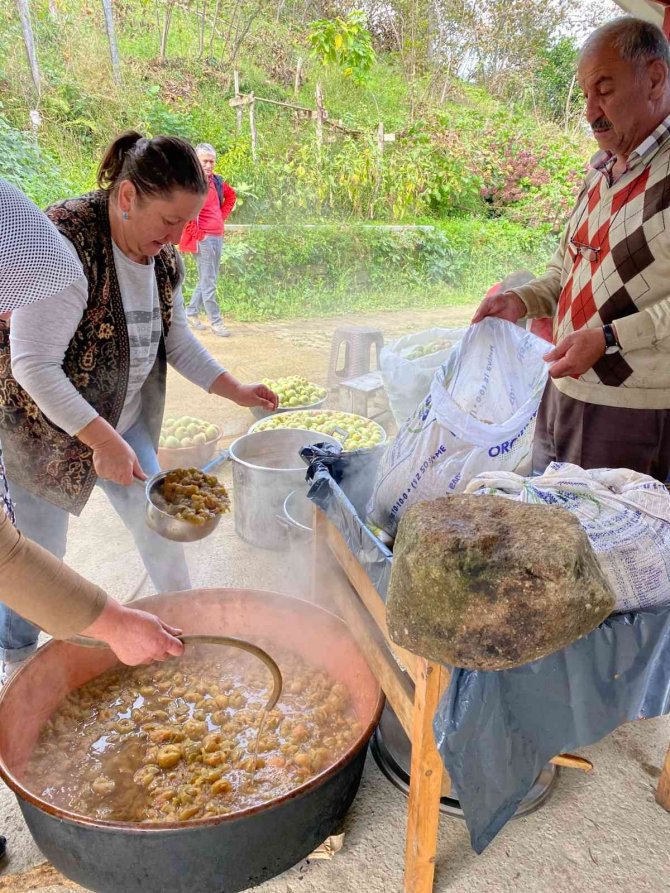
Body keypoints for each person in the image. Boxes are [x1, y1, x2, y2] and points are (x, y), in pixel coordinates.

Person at [0, 134, 277, 679]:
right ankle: (15, 662)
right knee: (33, 558)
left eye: (187, 223)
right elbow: (31, 364)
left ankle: (179, 629)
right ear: (127, 196)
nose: (179, 236)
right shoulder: (61, 243)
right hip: (43, 434)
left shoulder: (158, 254)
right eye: (171, 221)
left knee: (161, 525)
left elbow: (176, 341)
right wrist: (101, 440)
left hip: (123, 423)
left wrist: (234, 389)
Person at [0, 179, 189, 859]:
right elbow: (7, 556)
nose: (9, 326)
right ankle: (16, 654)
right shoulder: (73, 234)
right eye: (5, 312)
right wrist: (114, 624)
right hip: (48, 443)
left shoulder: (163, 264)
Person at [473, 17, 670, 481]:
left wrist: (608, 339)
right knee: (549, 523)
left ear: (655, 78)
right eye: (585, 95)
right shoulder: (600, 171)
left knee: (604, 545)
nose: (590, 112)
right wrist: (520, 299)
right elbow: (566, 267)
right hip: (563, 389)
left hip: (633, 412)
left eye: (604, 89)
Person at [180, 143, 237, 337]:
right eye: (205, 161)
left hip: (217, 236)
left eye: (211, 161)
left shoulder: (217, 181)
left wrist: (221, 216)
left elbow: (231, 196)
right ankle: (216, 321)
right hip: (203, 239)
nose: (209, 165)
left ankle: (191, 312)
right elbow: (184, 212)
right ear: (197, 161)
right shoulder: (191, 185)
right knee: (209, 280)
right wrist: (199, 235)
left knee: (208, 277)